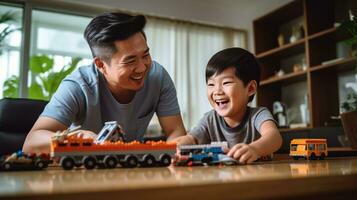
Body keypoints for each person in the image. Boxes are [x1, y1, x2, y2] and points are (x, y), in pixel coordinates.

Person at [23, 13, 187, 153]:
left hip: (129, 169)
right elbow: (31, 143)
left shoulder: (158, 76)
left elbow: (175, 131)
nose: (143, 67)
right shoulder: (77, 85)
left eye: (146, 55)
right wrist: (76, 137)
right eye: (130, 61)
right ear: (101, 65)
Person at [175, 47, 282, 164]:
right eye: (211, 84)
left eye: (226, 83)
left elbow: (274, 137)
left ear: (250, 88)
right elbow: (191, 139)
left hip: (260, 176)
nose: (217, 91)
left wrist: (255, 149)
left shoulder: (258, 115)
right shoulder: (210, 119)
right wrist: (177, 146)